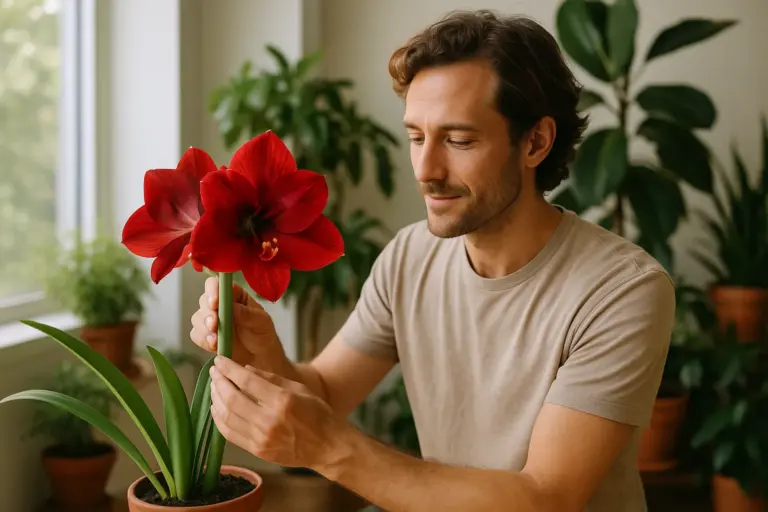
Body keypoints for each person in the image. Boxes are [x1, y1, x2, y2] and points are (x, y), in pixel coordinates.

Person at [191, 9, 675, 512]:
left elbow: (546, 498)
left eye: (459, 140)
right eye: (416, 137)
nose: (425, 170)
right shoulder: (410, 255)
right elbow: (327, 391)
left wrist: (330, 449)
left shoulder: (622, 289)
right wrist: (261, 348)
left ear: (535, 142)